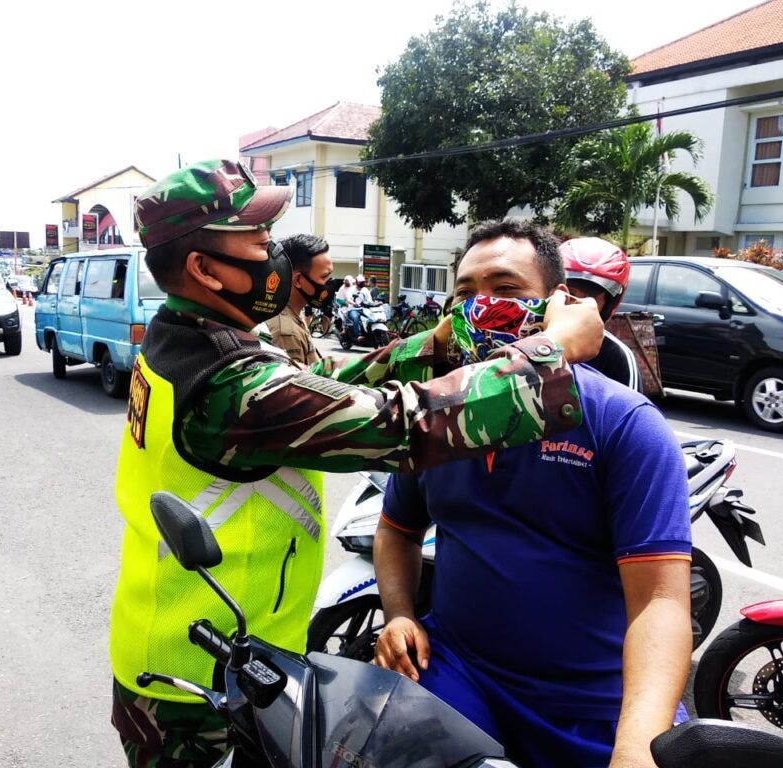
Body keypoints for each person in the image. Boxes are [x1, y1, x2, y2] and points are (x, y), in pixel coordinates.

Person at [109, 160, 604, 768]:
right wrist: (549, 354)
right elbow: (399, 424)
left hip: (214, 639)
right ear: (205, 269)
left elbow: (322, 384)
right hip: (196, 678)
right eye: (262, 246)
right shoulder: (224, 385)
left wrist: (435, 344)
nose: (277, 262)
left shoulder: (196, 337)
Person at [373, 219, 692, 768]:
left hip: (592, 706)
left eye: (506, 289)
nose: (483, 305)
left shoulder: (623, 423)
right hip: (459, 678)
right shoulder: (435, 421)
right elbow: (395, 530)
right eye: (466, 293)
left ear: (557, 303)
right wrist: (400, 614)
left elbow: (660, 601)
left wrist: (636, 746)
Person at [560, 237, 642, 392]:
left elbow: (629, 412)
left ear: (608, 305)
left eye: (590, 298)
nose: (578, 304)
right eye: (570, 293)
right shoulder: (524, 338)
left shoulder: (616, 356)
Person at [266, 234, 332, 366]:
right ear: (298, 280)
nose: (329, 284)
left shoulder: (294, 315)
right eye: (324, 277)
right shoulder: (286, 333)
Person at [346, 274, 371, 338]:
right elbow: (348, 300)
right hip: (353, 309)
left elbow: (370, 300)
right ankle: (358, 335)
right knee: (355, 318)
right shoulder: (351, 289)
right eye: (360, 282)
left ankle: (370, 334)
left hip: (363, 309)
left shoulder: (365, 290)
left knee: (372, 318)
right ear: (357, 282)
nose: (362, 284)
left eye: (363, 282)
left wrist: (375, 304)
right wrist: (354, 303)